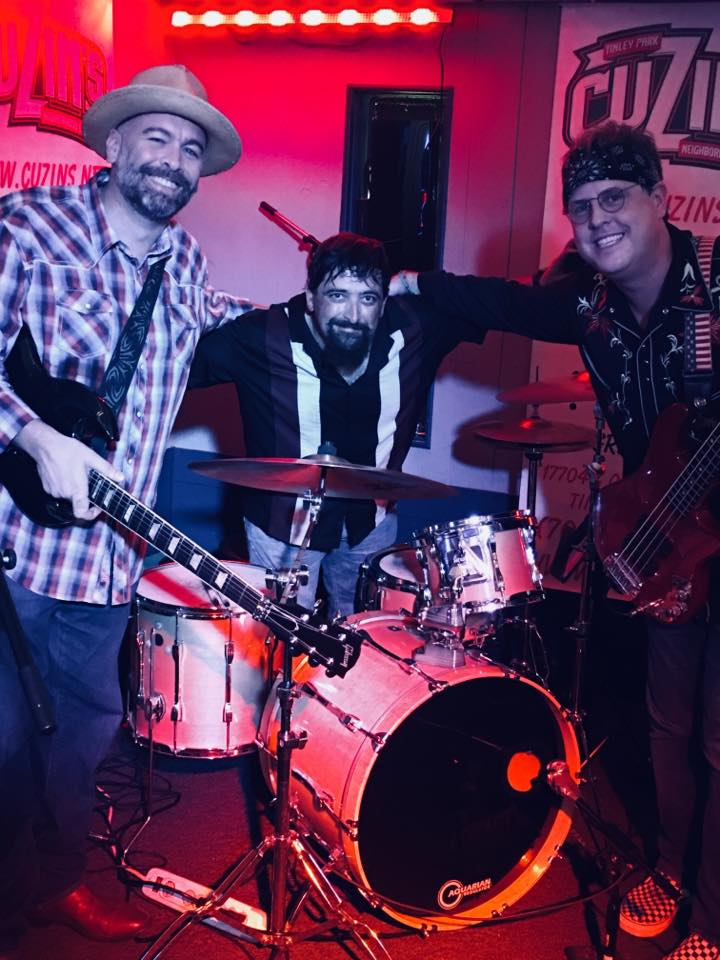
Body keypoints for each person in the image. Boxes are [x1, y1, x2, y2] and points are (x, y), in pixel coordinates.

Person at [390, 121, 720, 960]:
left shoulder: (716, 288)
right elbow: (498, 301)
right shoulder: (588, 306)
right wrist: (410, 280)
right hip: (667, 539)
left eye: (615, 198)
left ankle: (713, 919)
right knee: (667, 727)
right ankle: (671, 871)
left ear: (659, 198)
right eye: (582, 207)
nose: (598, 220)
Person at [0, 65, 254, 957]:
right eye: (157, 137)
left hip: (110, 561)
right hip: (15, 549)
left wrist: (331, 311)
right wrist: (32, 435)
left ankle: (53, 885)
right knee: (3, 745)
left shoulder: (187, 265)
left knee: (82, 740)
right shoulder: (27, 227)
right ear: (112, 144)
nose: (173, 160)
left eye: (190, 149)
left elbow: (220, 321)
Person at [189, 232, 486, 616]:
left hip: (370, 524)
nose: (353, 315)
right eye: (337, 295)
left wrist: (418, 282)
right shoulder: (260, 336)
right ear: (312, 298)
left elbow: (495, 306)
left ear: (384, 303)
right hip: (282, 527)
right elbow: (172, 367)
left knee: (359, 630)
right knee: (282, 635)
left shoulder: (415, 329)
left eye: (368, 298)